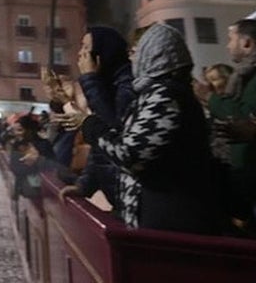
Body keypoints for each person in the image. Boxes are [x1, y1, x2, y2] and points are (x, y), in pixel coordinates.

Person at [77, 21, 223, 234]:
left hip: (169, 222)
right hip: (157, 217)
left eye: (136, 52)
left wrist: (88, 124)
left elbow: (129, 153)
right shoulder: (156, 94)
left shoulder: (165, 96)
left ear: (154, 55)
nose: (131, 58)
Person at [194, 18, 256, 236]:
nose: (227, 45)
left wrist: (210, 97)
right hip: (250, 176)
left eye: (230, 39)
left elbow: (244, 116)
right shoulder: (248, 73)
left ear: (246, 43)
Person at [58, 25, 135, 210]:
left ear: (102, 53)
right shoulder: (107, 85)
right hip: (120, 200)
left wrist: (91, 79)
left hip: (133, 200)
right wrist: (85, 184)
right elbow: (100, 143)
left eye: (85, 47)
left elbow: (112, 129)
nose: (80, 54)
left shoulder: (128, 85)